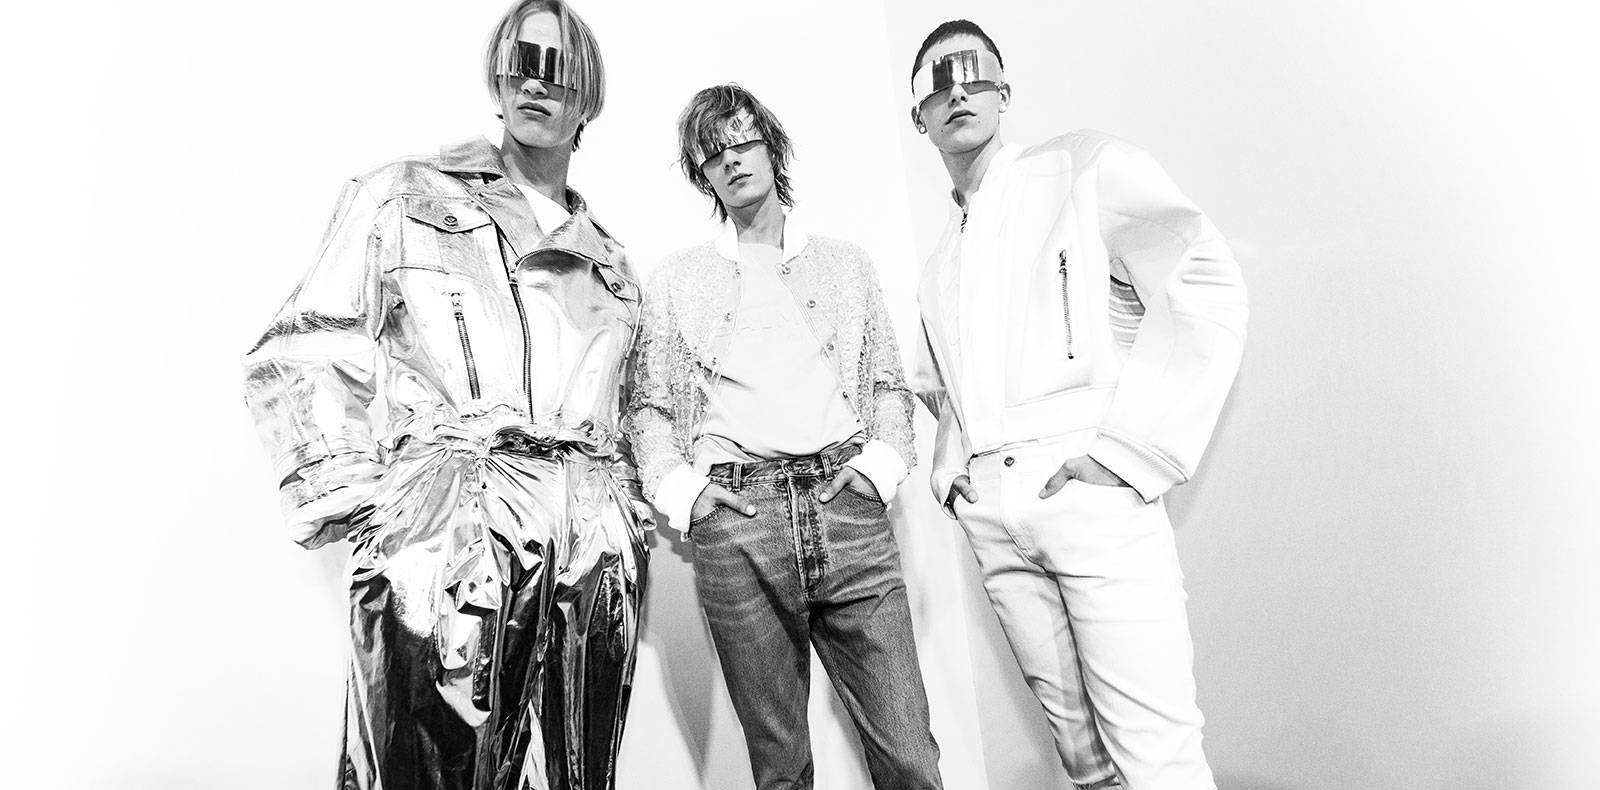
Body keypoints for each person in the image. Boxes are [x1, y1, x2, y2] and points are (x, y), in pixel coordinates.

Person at [241, 2, 649, 787]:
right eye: (519, 61)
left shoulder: (613, 265)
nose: (535, 82)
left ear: (589, 96)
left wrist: (622, 523)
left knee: (571, 774)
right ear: (497, 76)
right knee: (423, 769)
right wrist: (374, 506)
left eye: (557, 67)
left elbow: (629, 410)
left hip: (589, 553)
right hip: (453, 531)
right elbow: (306, 344)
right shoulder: (407, 195)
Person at [904, 20, 1249, 790]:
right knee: (1086, 764)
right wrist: (956, 475)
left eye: (974, 72)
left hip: (1088, 493)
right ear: (919, 116)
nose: (957, 89)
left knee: (1157, 758)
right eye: (936, 81)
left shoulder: (1082, 166)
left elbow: (1202, 280)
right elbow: (940, 385)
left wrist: (1127, 453)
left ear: (1004, 92)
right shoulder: (939, 261)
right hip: (996, 517)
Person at [625, 84, 943, 790]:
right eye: (713, 154)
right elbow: (647, 408)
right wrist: (687, 497)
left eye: (743, 142)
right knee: (780, 768)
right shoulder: (677, 279)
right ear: (702, 175)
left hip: (847, 510)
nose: (732, 161)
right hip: (739, 522)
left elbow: (888, 384)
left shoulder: (845, 264)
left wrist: (878, 470)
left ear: (772, 149)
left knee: (910, 756)